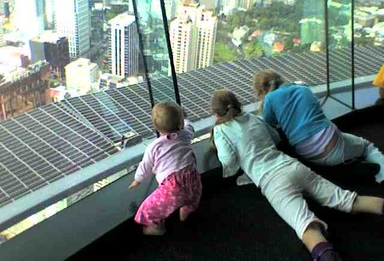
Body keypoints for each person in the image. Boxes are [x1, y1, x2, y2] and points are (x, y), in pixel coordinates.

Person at [210, 89, 384, 261]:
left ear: (215, 113)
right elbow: (276, 137)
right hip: (293, 166)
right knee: (348, 199)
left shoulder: (221, 131)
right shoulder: (254, 118)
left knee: (306, 226)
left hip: (273, 183)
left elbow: (228, 161)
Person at [253, 69, 384, 184]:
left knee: (314, 160)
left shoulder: (269, 99)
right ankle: (381, 174)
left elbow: (269, 123)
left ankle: (342, 168)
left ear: (261, 91)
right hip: (331, 139)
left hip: (306, 153)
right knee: (366, 146)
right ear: (280, 78)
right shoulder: (303, 88)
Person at [129, 101, 202, 235]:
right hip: (193, 178)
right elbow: (189, 125)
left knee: (147, 209)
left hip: (173, 188)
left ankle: (156, 228)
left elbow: (145, 166)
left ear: (157, 128)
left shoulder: (154, 146)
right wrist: (183, 118)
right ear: (180, 123)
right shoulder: (185, 133)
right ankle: (185, 211)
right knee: (192, 198)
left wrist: (137, 180)